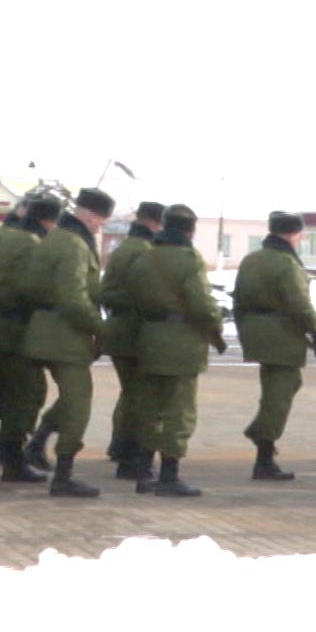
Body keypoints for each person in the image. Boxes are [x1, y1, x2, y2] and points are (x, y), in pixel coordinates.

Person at [123, 203, 226, 497]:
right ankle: (169, 475)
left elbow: (132, 295)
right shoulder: (189, 260)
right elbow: (201, 304)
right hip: (182, 342)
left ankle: (143, 472)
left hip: (148, 338)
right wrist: (215, 324)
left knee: (149, 407)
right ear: (190, 231)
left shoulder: (145, 257)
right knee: (179, 410)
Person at [22, 186, 114, 497]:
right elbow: (73, 297)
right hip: (64, 335)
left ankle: (37, 444)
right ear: (88, 214)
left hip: (49, 330)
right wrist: (101, 328)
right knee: (78, 403)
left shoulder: (57, 237)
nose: (101, 225)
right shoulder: (74, 244)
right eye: (100, 219)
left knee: (71, 397)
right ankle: (63, 474)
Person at [233, 211, 316, 481]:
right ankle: (264, 453)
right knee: (280, 394)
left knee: (276, 389)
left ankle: (262, 439)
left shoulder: (251, 260)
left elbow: (238, 299)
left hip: (255, 332)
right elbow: (298, 302)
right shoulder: (287, 264)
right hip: (282, 335)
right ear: (293, 234)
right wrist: (315, 328)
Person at [0, 195, 61, 484]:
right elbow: (32, 289)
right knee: (26, 394)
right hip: (17, 329)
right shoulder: (32, 245)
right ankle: (13, 458)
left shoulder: (2, 236)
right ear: (48, 221)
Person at [98, 201, 164, 480]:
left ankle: (120, 445)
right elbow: (145, 293)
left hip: (118, 328)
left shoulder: (125, 246)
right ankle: (132, 454)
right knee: (142, 397)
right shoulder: (145, 251)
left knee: (131, 393)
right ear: (155, 223)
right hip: (133, 331)